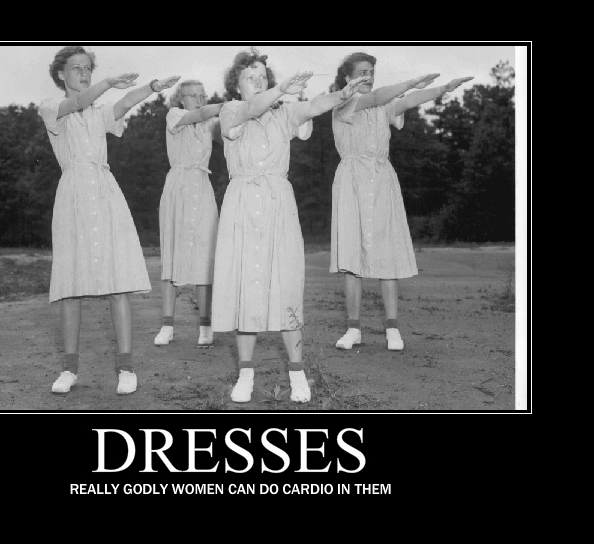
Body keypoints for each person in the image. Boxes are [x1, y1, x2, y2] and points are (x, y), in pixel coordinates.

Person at [213, 48, 369, 404]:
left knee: (286, 285)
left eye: (262, 76)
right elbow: (254, 107)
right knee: (245, 288)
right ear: (236, 85)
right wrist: (281, 88)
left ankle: (297, 374)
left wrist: (342, 94)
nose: (258, 82)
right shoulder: (230, 110)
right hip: (241, 205)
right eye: (249, 77)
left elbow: (313, 106)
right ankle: (246, 374)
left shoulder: (283, 113)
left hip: (278, 205)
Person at [38, 46, 179, 396]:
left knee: (118, 283)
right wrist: (108, 82)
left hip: (105, 192)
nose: (84, 73)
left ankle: (126, 368)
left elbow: (125, 102)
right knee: (71, 287)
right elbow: (78, 101)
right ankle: (69, 369)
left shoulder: (100, 111)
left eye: (88, 67)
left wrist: (152, 87)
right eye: (76, 68)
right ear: (61, 74)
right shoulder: (51, 106)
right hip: (72, 196)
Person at [329, 52, 472, 351]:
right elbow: (377, 96)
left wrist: (443, 89)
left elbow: (408, 101)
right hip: (351, 181)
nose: (368, 77)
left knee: (388, 255)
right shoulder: (342, 104)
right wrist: (411, 81)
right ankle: (353, 329)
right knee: (351, 260)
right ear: (347, 77)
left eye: (371, 72)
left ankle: (392, 329)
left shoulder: (383, 107)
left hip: (382, 180)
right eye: (362, 72)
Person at [154, 80, 224, 349]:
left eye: (201, 95)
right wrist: (226, 105)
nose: (197, 99)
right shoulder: (174, 115)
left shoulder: (211, 123)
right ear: (180, 98)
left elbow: (229, 132)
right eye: (191, 95)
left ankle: (205, 326)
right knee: (172, 255)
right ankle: (167, 326)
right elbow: (201, 113)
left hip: (202, 188)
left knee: (205, 258)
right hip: (177, 189)